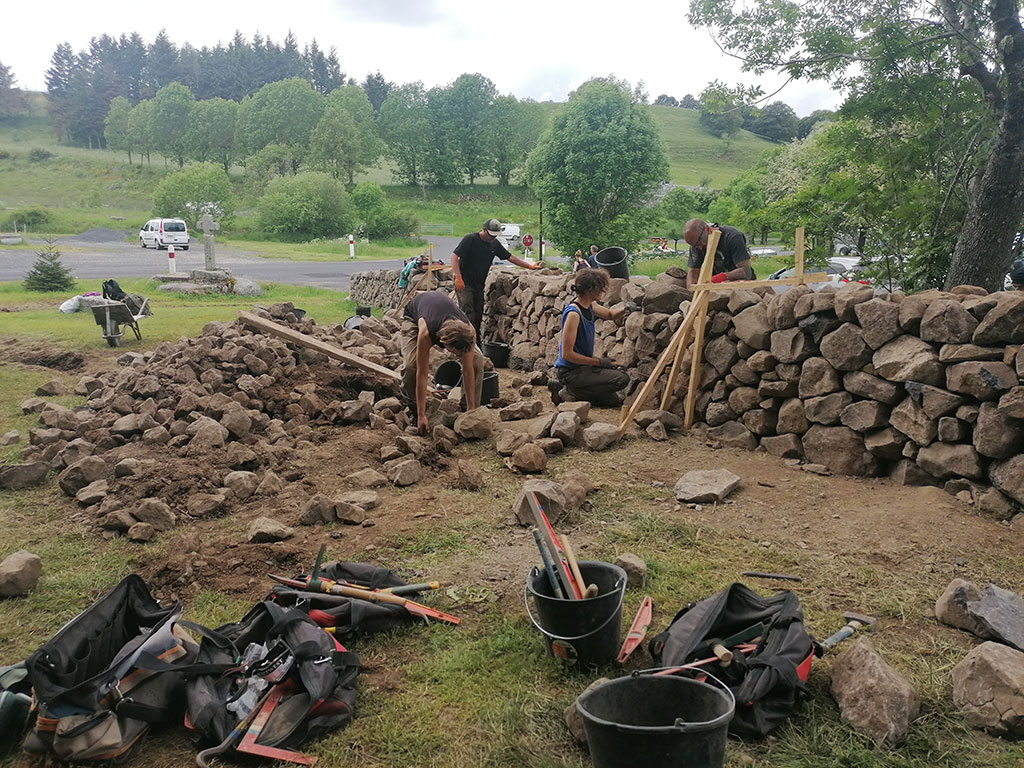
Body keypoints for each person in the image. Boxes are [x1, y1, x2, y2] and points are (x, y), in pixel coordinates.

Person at [401, 292, 484, 435]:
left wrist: (471, 409)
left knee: (477, 359)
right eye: (456, 353)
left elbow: (468, 370)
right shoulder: (426, 333)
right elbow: (422, 373)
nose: (458, 357)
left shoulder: (469, 332)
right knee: (411, 366)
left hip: (443, 314)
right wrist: (422, 414)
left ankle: (469, 409)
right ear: (446, 343)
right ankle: (415, 409)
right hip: (414, 317)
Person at [549, 268, 630, 407]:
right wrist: (600, 362)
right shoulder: (574, 314)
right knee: (621, 379)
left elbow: (610, 314)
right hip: (570, 371)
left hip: (583, 368)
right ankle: (570, 391)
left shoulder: (590, 305)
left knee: (612, 401)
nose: (604, 291)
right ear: (591, 289)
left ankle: (571, 390)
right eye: (601, 287)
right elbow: (567, 354)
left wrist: (626, 309)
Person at [451, 218, 540, 337]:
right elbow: (454, 256)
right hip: (464, 282)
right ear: (484, 230)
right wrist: (458, 277)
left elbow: (510, 257)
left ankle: (475, 343)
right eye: (491, 235)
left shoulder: (494, 244)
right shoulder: (471, 239)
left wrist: (529, 266)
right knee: (468, 312)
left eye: (495, 236)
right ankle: (465, 342)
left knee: (478, 314)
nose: (492, 238)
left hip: (478, 284)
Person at [684, 219, 754, 288]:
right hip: (713, 287)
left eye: (699, 242)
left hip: (739, 285)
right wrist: (692, 289)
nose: (699, 248)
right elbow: (693, 274)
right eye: (695, 245)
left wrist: (722, 277)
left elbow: (746, 272)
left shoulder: (732, 237)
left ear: (707, 229)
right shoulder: (696, 244)